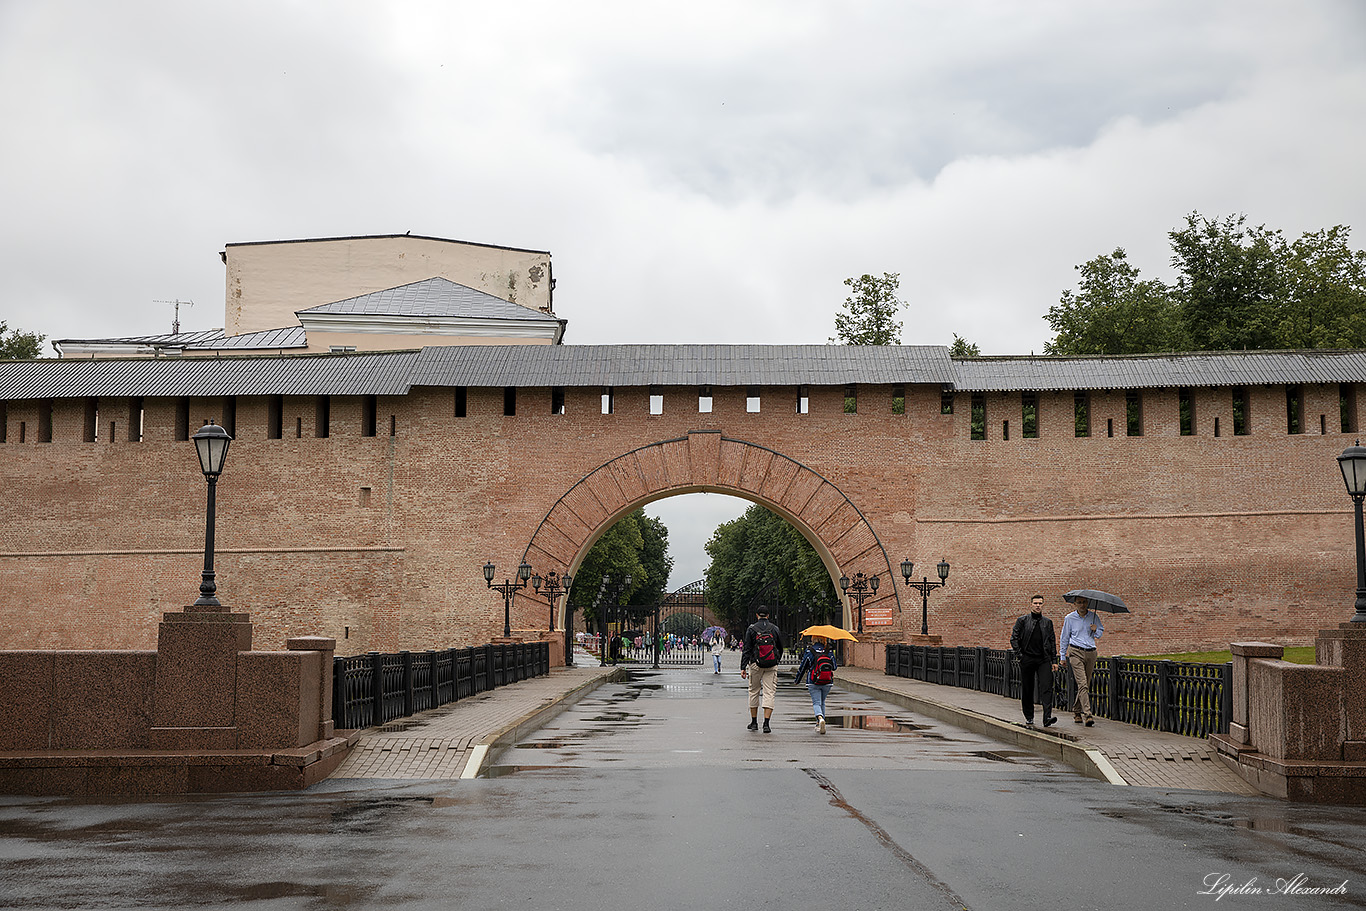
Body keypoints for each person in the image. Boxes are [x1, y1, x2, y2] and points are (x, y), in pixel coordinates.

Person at [1010, 595, 1057, 729]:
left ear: (1043, 605)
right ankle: (1029, 716)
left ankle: (1047, 717)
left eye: (1040, 603)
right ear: (1030, 605)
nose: (1038, 605)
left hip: (1043, 659)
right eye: (1035, 603)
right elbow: (1014, 638)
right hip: (1027, 659)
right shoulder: (1023, 621)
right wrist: (1020, 655)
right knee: (1027, 688)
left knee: (1047, 688)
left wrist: (1054, 660)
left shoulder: (1047, 622)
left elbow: (1052, 642)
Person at [1059, 596, 1104, 726]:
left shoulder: (1094, 616)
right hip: (1075, 652)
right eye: (1079, 602)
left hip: (1091, 652)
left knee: (1086, 684)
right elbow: (1064, 637)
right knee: (1082, 683)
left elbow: (1100, 633)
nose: (1082, 605)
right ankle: (1088, 714)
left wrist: (1096, 630)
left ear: (1087, 603)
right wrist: (1062, 656)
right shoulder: (1069, 618)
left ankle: (1077, 711)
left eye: (1084, 602)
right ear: (1074, 604)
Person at [740, 607, 784, 733]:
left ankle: (754, 722)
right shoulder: (774, 629)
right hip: (771, 665)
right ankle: (766, 724)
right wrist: (776, 660)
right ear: (768, 615)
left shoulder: (752, 629)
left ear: (757, 615)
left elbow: (747, 649)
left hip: (755, 664)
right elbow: (780, 647)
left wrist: (743, 667)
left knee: (753, 691)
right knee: (769, 692)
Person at [793, 636, 838, 733]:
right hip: (827, 681)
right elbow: (834, 667)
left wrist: (797, 680)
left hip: (813, 681)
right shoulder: (828, 651)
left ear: (813, 640)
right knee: (822, 702)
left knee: (816, 702)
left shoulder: (810, 651)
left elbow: (803, 667)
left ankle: (820, 718)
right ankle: (820, 722)